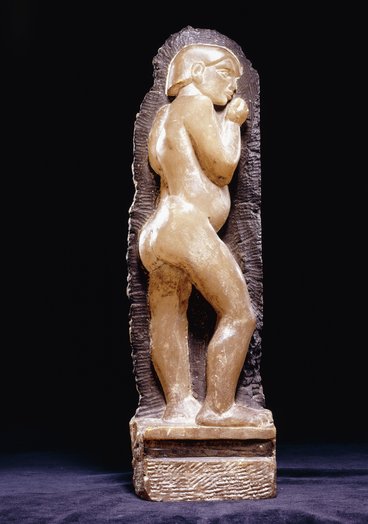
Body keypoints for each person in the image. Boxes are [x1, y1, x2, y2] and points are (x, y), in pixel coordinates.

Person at [139, 44, 271, 427]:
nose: (233, 85)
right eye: (225, 73)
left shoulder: (164, 115)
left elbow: (160, 164)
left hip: (160, 231)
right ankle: (218, 408)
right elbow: (222, 165)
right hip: (188, 228)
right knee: (239, 313)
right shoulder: (196, 104)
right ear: (197, 72)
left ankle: (178, 405)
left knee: (168, 317)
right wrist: (232, 122)